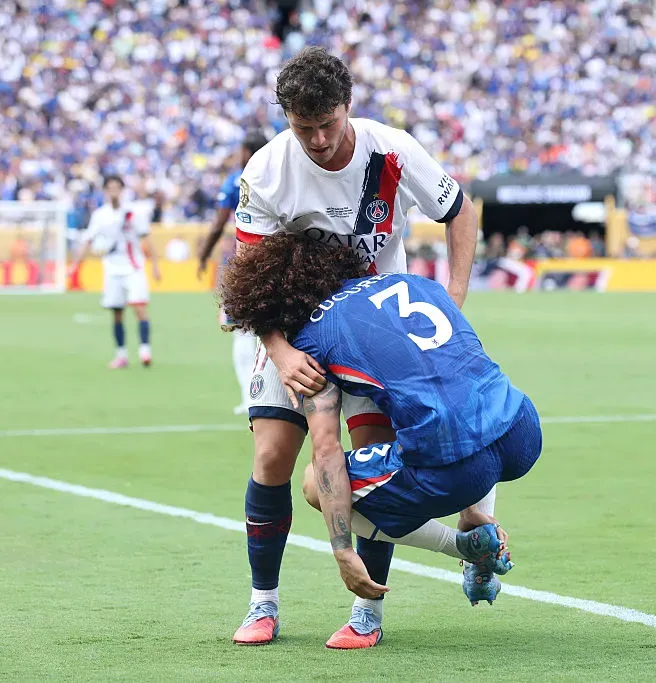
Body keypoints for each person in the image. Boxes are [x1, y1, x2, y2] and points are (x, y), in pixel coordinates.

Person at [229, 47, 479, 648]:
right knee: (271, 457)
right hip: (296, 328)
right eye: (302, 126)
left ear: (349, 107)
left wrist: (454, 297)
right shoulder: (265, 172)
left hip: (375, 330)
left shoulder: (392, 149)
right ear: (286, 117)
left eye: (327, 123)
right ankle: (263, 605)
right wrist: (281, 351)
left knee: (370, 464)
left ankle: (367, 615)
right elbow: (247, 276)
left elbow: (459, 209)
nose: (316, 139)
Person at [221, 233, 541, 648]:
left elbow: (328, 452)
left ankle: (462, 546)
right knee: (457, 411)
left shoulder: (311, 338)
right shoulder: (418, 284)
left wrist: (341, 550)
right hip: (522, 429)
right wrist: (472, 506)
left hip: (456, 466)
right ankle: (477, 524)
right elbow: (464, 376)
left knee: (315, 482)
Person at [197, 133, 270, 415]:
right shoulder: (284, 175)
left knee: (242, 331)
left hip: (245, 262)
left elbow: (218, 224)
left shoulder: (237, 179)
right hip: (279, 262)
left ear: (246, 152)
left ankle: (249, 397)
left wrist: (204, 255)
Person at [69, 175, 161, 369]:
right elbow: (88, 240)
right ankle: (121, 355)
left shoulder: (132, 213)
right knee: (116, 311)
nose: (113, 192)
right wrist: (75, 264)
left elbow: (146, 238)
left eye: (117, 188)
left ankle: (145, 351)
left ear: (122, 190)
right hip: (112, 268)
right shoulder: (100, 215)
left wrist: (155, 265)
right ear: (105, 191)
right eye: (110, 188)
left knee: (139, 308)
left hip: (133, 266)